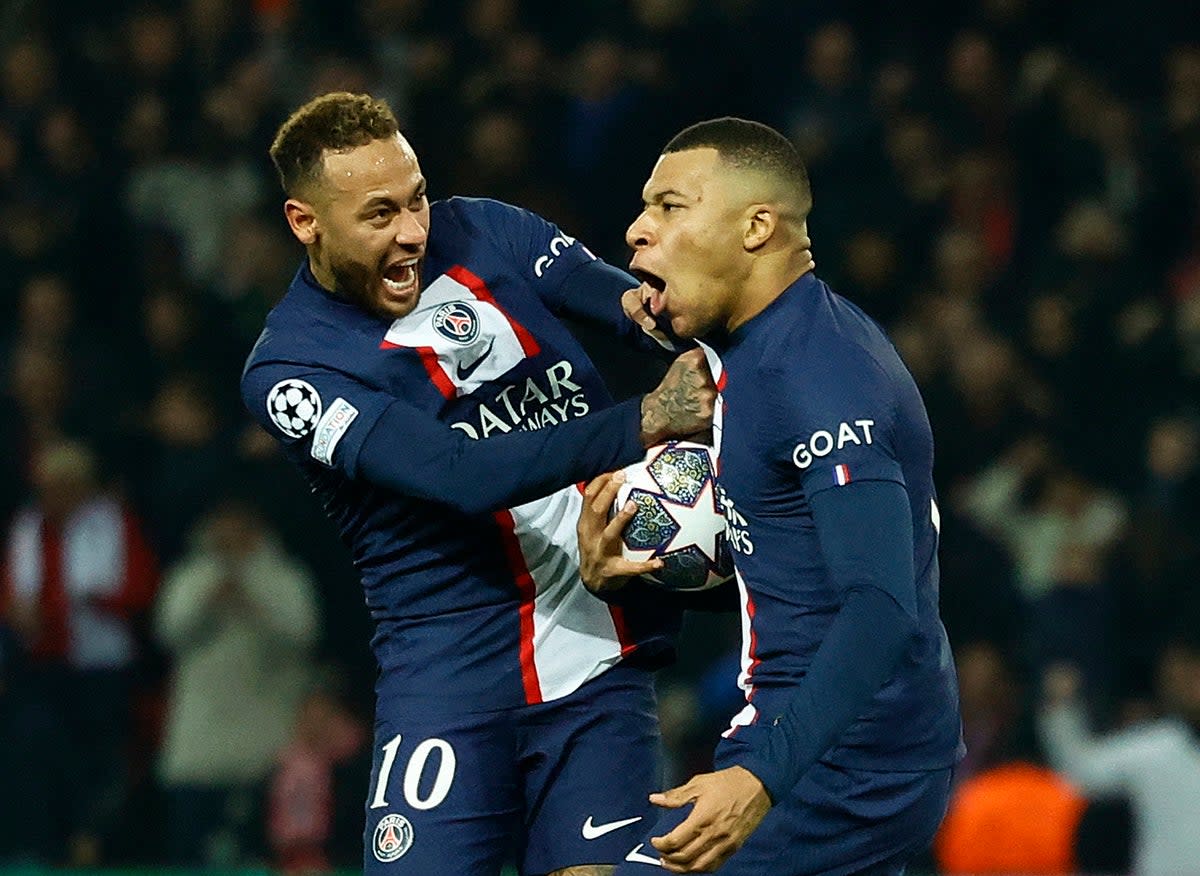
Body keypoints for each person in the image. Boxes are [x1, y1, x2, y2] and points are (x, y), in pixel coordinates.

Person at [240, 91, 718, 876]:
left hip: (597, 649)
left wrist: (681, 307)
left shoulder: (486, 228)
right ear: (305, 222)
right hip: (451, 678)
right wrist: (647, 419)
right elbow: (459, 475)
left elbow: (630, 306)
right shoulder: (292, 370)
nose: (414, 232)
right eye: (380, 215)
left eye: (418, 198)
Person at [578, 117, 963, 875]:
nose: (636, 230)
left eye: (669, 206)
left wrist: (763, 778)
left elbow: (882, 605)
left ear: (757, 227)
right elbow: (795, 570)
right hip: (827, 746)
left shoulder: (822, 375)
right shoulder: (756, 353)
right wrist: (639, 572)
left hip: (844, 765)